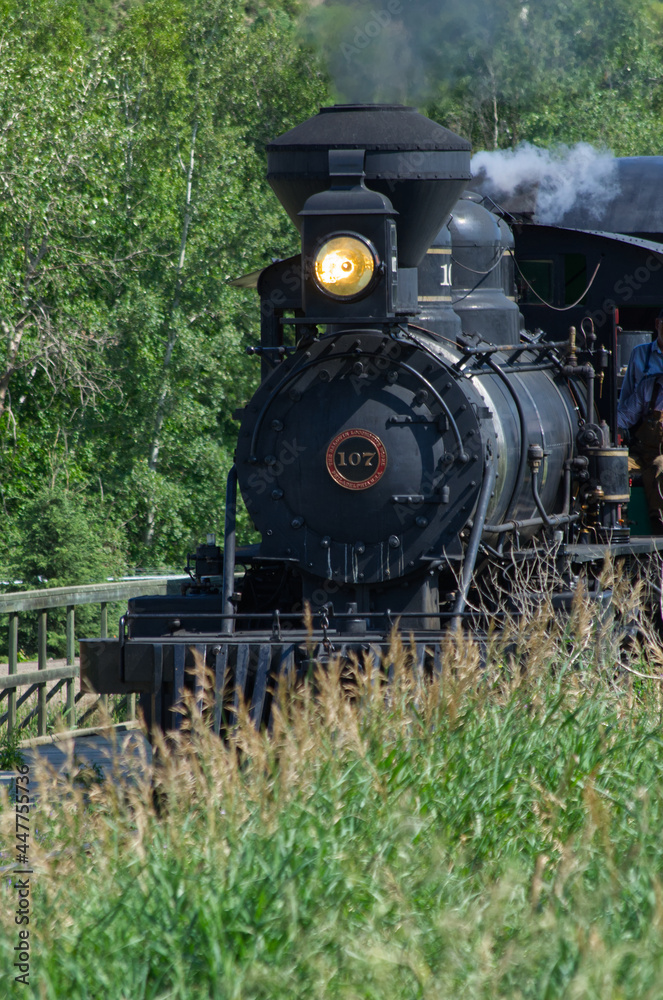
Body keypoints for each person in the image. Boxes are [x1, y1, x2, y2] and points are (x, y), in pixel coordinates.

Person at [618, 309, 663, 533]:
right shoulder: (648, 387)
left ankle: (657, 526)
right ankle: (618, 524)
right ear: (657, 324)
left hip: (660, 458)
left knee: (660, 467)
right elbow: (623, 416)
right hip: (643, 451)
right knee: (615, 465)